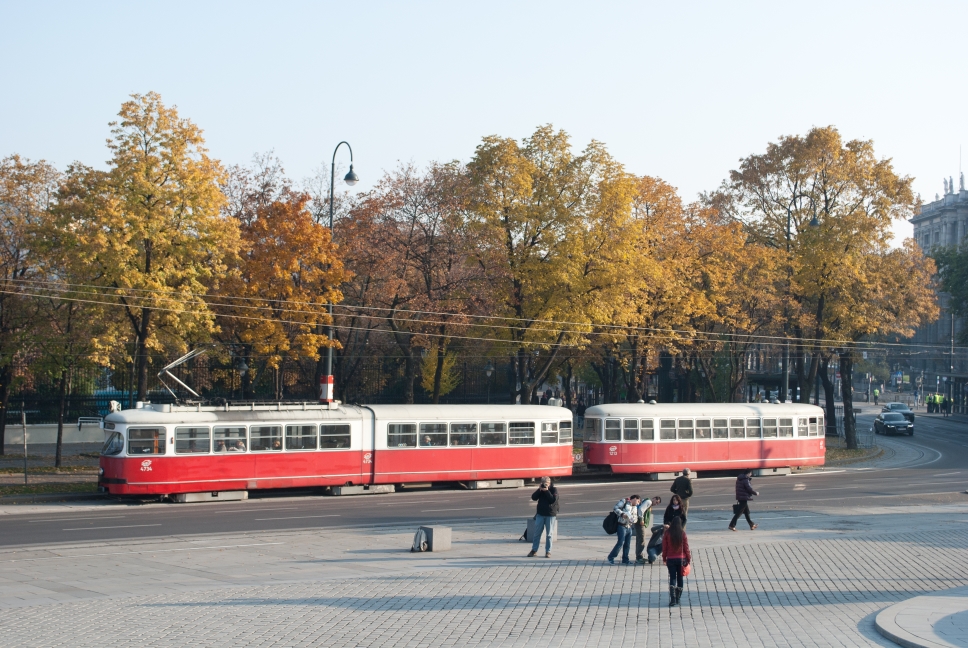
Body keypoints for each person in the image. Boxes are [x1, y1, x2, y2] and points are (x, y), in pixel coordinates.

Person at [662, 517, 691, 607]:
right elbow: (686, 547)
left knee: (672, 578)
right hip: (681, 559)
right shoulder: (682, 533)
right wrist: (688, 558)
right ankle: (678, 598)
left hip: (670, 559)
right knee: (680, 578)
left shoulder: (667, 533)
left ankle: (673, 599)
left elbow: (664, 547)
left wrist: (664, 558)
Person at [528, 477, 558, 558]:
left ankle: (548, 552)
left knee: (549, 534)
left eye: (547, 483)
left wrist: (547, 491)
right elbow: (534, 497)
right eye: (543, 482)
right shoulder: (540, 490)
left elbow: (552, 500)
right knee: (537, 533)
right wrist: (539, 490)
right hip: (540, 514)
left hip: (550, 514)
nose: (545, 484)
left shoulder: (553, 489)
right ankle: (534, 550)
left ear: (549, 482)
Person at [607, 495, 639, 565]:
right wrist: (622, 514)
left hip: (629, 527)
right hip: (621, 526)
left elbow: (636, 517)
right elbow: (615, 508)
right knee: (620, 542)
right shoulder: (624, 501)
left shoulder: (635, 507)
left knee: (627, 544)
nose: (638, 503)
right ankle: (611, 557)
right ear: (634, 499)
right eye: (638, 501)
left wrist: (633, 520)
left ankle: (625, 559)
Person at [635, 496, 661, 564]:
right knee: (642, 539)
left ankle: (639, 556)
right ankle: (639, 557)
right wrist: (641, 519)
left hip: (639, 523)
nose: (656, 504)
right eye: (656, 502)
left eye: (657, 503)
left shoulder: (647, 502)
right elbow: (641, 509)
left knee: (639, 539)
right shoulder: (649, 502)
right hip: (640, 523)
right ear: (654, 498)